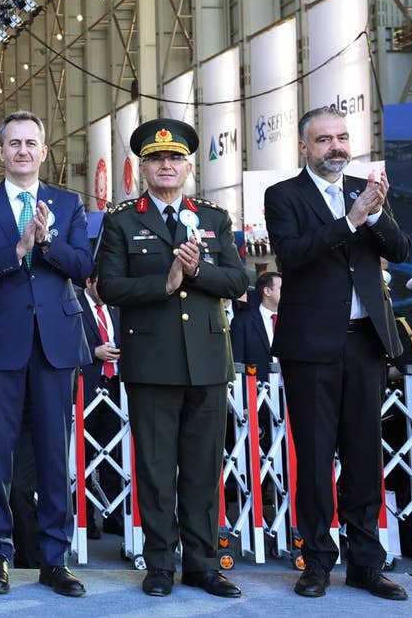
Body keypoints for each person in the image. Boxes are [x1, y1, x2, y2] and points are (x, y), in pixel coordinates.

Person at [265, 106, 412, 600]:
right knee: (313, 456)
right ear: (305, 147)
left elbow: (403, 250)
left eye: (343, 137)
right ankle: (316, 561)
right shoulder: (284, 195)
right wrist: (351, 220)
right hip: (311, 346)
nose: (336, 147)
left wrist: (374, 213)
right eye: (325, 139)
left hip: (365, 340)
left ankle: (367, 563)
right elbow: (293, 255)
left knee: (365, 455)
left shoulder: (364, 191)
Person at [96, 117, 247, 600]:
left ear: (188, 166)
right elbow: (110, 285)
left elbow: (238, 282)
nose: (167, 165)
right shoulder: (122, 219)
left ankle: (203, 563)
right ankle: (160, 562)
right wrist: (164, 283)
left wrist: (197, 270)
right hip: (151, 359)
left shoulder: (214, 218)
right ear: (144, 167)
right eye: (157, 158)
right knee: (157, 468)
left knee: (203, 469)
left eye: (175, 158)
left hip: (205, 359)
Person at [0, 111, 91, 597]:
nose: (23, 151)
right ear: (0, 152)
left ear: (44, 151)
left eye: (31, 142)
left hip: (55, 345)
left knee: (56, 457)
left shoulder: (68, 203)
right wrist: (17, 249)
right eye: (14, 143)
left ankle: (55, 558)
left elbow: (83, 265)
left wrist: (46, 242)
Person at [79, 273, 123, 537]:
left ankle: (113, 514)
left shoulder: (116, 309)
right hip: (87, 387)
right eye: (101, 283)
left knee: (112, 455)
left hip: (115, 388)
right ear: (89, 283)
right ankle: (85, 517)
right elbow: (66, 343)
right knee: (82, 455)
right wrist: (93, 353)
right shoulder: (75, 306)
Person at [231, 271, 281, 376]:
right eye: (281, 288)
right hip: (259, 388)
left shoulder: (292, 320)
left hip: (290, 388)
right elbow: (238, 365)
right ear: (267, 291)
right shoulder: (243, 322)